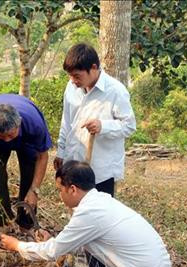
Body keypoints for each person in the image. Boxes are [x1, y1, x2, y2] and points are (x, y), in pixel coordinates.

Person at [1, 160, 172, 267]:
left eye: (60, 190)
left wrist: (16, 245)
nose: (60, 195)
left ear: (73, 189)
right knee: (87, 262)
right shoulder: (102, 201)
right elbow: (78, 241)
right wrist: (54, 240)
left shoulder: (89, 213)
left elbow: (52, 252)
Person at [54, 43, 136, 197]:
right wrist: (61, 151)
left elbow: (129, 126)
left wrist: (103, 126)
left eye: (77, 76)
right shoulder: (71, 88)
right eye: (70, 76)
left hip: (101, 170)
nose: (73, 81)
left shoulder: (116, 91)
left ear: (93, 68)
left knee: (100, 213)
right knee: (76, 210)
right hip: (75, 162)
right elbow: (66, 121)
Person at [0, 94, 52, 231]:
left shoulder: (34, 125)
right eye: (2, 136)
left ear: (19, 122)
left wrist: (35, 190)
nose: (7, 140)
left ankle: (26, 223)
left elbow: (42, 156)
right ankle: (2, 221)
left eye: (11, 135)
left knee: (29, 176)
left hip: (27, 141)